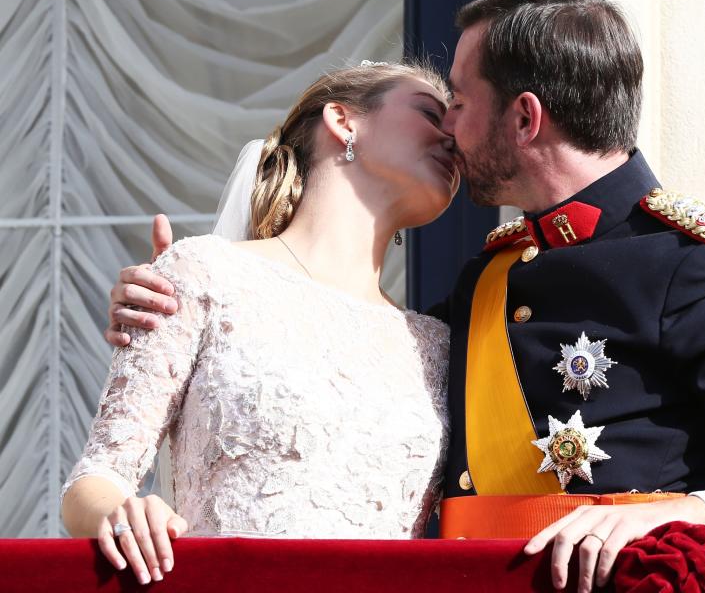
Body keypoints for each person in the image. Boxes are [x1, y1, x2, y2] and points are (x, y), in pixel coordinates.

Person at [106, 0, 705, 593]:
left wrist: (688, 515)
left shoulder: (692, 262)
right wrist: (197, 309)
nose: (447, 126)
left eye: (456, 100)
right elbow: (336, 372)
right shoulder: (489, 276)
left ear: (524, 118)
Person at [62, 61, 458, 586]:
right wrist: (123, 514)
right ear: (343, 120)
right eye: (432, 114)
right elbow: (96, 478)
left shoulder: (437, 344)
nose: (452, 137)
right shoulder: (205, 273)